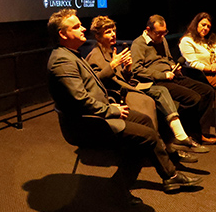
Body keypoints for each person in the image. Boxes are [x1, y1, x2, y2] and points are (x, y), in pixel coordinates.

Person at [47, 9, 203, 206]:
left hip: (98, 112)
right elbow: (80, 100)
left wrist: (111, 100)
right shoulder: (62, 60)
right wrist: (111, 109)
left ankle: (166, 176)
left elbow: (92, 89)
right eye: (76, 26)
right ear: (62, 34)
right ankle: (128, 186)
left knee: (145, 122)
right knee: (146, 136)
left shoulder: (71, 54)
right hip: (86, 124)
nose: (83, 28)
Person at [85, 15, 208, 154]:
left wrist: (127, 68)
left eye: (113, 30)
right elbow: (96, 82)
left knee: (201, 92)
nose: (113, 34)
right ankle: (175, 141)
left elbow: (122, 77)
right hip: (122, 93)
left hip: (133, 85)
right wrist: (113, 65)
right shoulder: (95, 55)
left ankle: (176, 142)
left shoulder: (111, 51)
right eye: (108, 32)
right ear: (97, 36)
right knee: (160, 93)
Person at [131, 14, 216, 145]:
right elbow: (137, 70)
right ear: (148, 30)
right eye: (159, 33)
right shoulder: (138, 44)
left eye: (164, 32)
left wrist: (173, 66)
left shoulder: (162, 39)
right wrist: (162, 75)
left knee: (207, 91)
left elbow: (168, 59)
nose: (162, 36)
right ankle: (181, 132)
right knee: (193, 98)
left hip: (171, 75)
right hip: (157, 81)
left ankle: (200, 133)